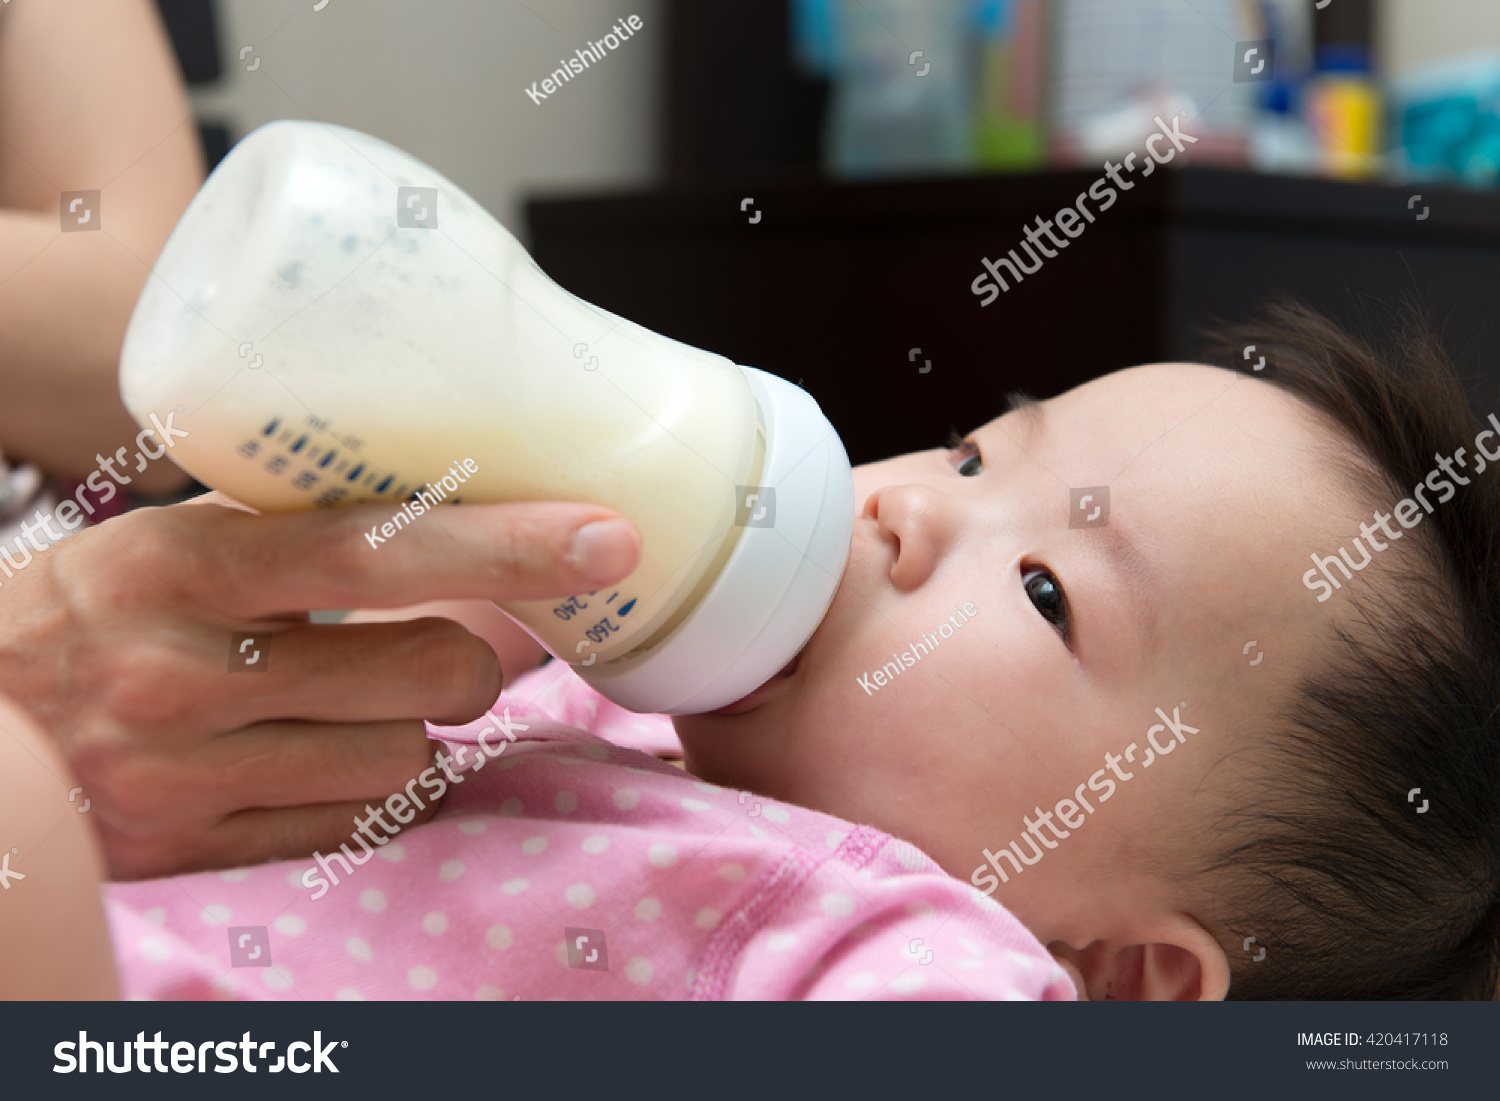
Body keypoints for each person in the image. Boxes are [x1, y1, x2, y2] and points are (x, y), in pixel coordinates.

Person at [74, 301, 1495, 1001]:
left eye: (1051, 590)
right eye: (973, 450)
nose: (907, 506)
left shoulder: (906, 943)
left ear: (1126, 972)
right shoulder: (626, 709)